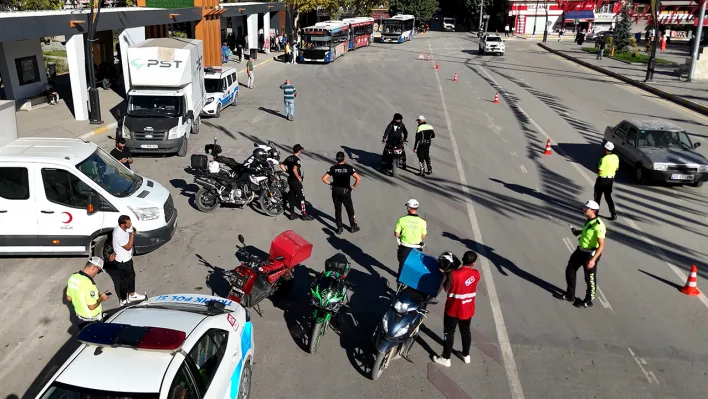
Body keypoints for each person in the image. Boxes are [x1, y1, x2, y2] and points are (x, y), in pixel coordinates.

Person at [433, 251, 480, 367]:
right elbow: (467, 281)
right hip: (468, 309)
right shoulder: (476, 274)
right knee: (466, 331)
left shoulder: (453, 274)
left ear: (462, 259)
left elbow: (446, 288)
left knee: (449, 333)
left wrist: (445, 273)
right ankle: (466, 355)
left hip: (453, 309)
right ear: (473, 263)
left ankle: (446, 358)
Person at [560, 200, 606, 309]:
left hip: (590, 254)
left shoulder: (598, 225)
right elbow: (587, 231)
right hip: (580, 251)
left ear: (593, 211)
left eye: (587, 208)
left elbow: (601, 245)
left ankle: (588, 301)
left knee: (589, 278)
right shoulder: (589, 220)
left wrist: (593, 260)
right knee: (570, 269)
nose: (584, 210)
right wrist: (579, 232)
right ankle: (570, 295)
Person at [321, 151, 361, 234]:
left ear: (336, 159)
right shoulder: (349, 168)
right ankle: (353, 226)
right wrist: (353, 187)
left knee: (338, 209)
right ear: (344, 158)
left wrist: (331, 183)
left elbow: (324, 178)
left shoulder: (333, 168)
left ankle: (339, 227)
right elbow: (358, 178)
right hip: (345, 191)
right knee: (350, 209)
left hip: (335, 190)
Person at [66, 257, 111, 329]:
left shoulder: (73, 277)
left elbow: (69, 298)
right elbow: (92, 306)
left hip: (79, 319)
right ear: (94, 268)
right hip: (91, 321)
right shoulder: (89, 285)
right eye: (98, 271)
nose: (97, 273)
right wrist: (101, 298)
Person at [113, 215, 146, 306]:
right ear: (122, 224)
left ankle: (132, 294)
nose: (130, 224)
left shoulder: (121, 229)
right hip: (123, 261)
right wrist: (132, 235)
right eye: (128, 222)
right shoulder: (118, 234)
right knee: (124, 281)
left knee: (131, 275)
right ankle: (123, 299)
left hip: (127, 259)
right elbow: (128, 247)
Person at [394, 199, 427, 275]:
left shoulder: (402, 220)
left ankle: (400, 283)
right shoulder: (422, 222)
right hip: (417, 248)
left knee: (402, 266)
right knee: (414, 267)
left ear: (408, 208)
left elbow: (396, 234)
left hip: (405, 247)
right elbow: (423, 236)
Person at [281, 144, 314, 221]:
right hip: (296, 181)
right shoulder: (297, 160)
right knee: (301, 197)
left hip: (290, 179)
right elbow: (294, 169)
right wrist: (298, 177)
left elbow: (282, 165)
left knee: (292, 196)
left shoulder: (288, 158)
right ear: (299, 151)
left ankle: (292, 214)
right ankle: (304, 214)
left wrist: (287, 171)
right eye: (300, 150)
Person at [594, 141, 619, 220]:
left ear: (606, 149)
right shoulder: (616, 157)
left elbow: (600, 171)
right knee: (608, 197)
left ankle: (595, 212)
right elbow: (616, 169)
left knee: (598, 196)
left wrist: (596, 169)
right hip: (610, 180)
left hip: (601, 180)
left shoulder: (604, 159)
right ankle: (613, 213)